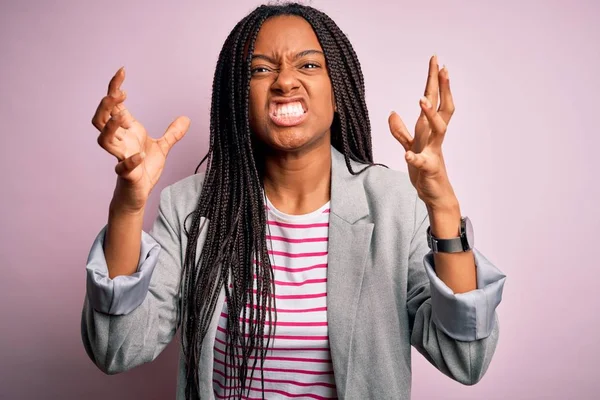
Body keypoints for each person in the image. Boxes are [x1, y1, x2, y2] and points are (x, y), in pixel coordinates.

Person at [81, 3, 506, 399]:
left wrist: (442, 205)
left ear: (338, 91)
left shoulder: (395, 204)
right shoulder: (190, 207)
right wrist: (129, 205)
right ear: (237, 99)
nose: (285, 81)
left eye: (307, 64)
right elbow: (117, 348)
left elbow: (464, 358)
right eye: (261, 69)